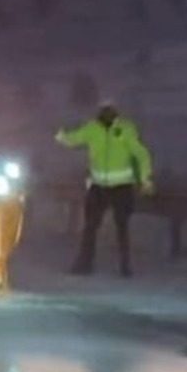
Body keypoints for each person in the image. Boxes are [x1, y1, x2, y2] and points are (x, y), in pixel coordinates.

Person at [55, 100, 154, 277]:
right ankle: (85, 264)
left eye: (110, 109)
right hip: (98, 186)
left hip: (122, 187)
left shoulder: (125, 129)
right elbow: (74, 139)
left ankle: (125, 266)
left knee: (121, 227)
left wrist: (145, 179)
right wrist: (61, 135)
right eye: (105, 109)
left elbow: (141, 154)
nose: (107, 113)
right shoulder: (92, 128)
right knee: (91, 227)